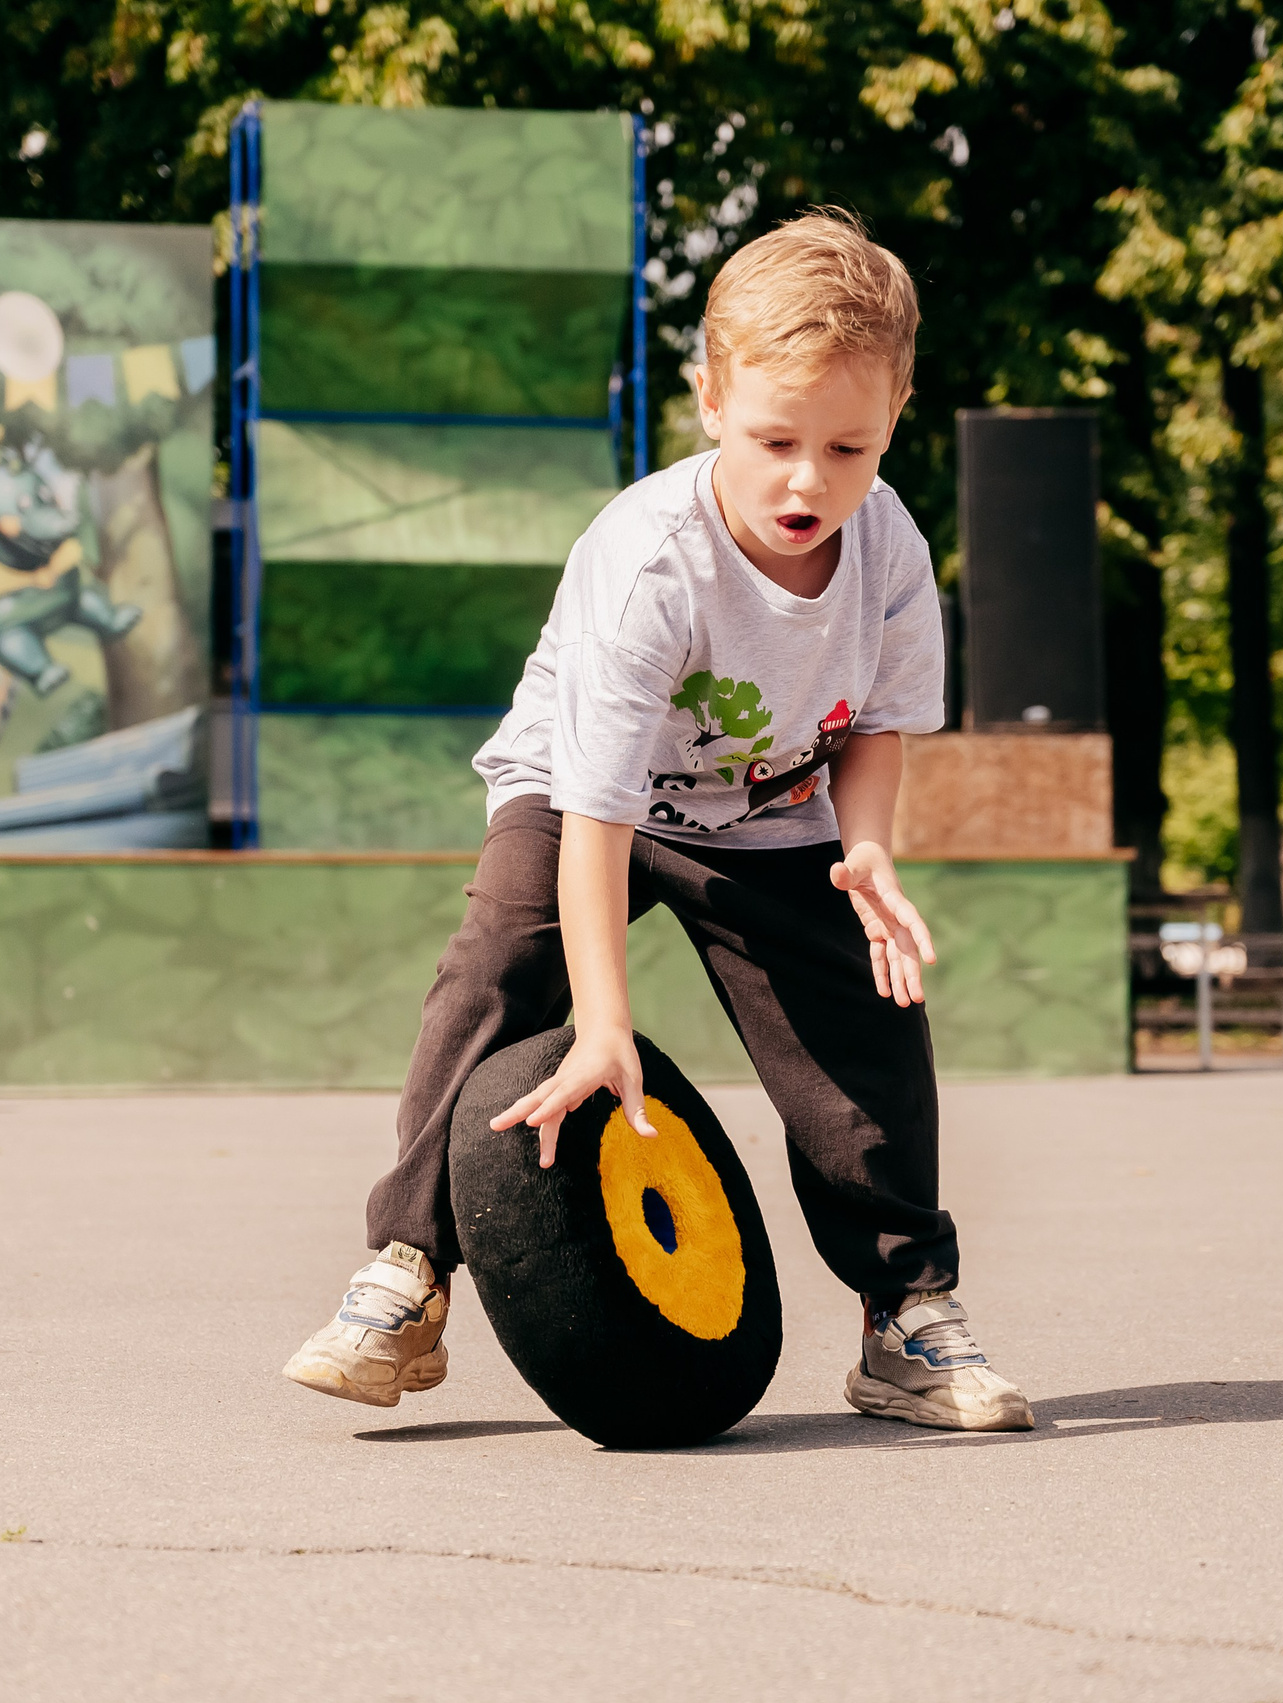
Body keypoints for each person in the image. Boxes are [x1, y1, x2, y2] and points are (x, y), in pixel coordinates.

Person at [282, 212, 1033, 1434]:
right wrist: (607, 1023)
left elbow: (876, 724)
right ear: (709, 401)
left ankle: (904, 1320)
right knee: (495, 971)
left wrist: (868, 846)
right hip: (579, 792)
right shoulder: (650, 564)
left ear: (895, 413)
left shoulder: (888, 541)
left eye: (847, 446)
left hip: (776, 808)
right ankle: (406, 1274)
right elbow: (596, 812)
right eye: (774, 439)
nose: (809, 479)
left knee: (867, 1036)